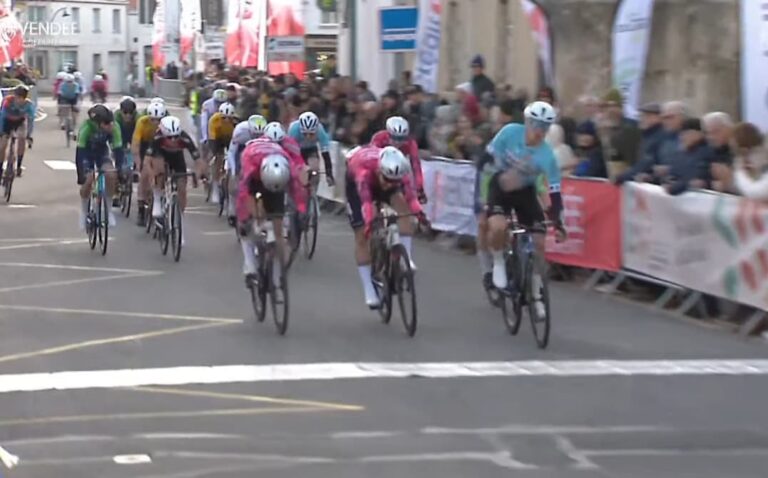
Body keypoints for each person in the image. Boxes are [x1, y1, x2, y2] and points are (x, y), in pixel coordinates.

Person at [480, 101, 565, 317]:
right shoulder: (509, 133)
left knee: (538, 241)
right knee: (498, 227)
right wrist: (483, 195)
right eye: (536, 125)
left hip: (526, 193)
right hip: (500, 186)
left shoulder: (547, 155)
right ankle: (498, 262)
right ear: (527, 122)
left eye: (545, 127)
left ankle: (536, 292)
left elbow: (554, 192)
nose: (540, 131)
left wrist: (558, 220)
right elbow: (485, 158)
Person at [346, 146, 427, 308]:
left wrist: (420, 215)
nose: (390, 184)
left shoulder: (400, 175)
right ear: (379, 171)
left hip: (380, 177)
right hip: (358, 186)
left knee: (403, 208)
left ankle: (406, 259)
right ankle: (369, 289)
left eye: (394, 181)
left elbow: (412, 200)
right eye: (387, 180)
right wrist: (368, 223)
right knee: (362, 234)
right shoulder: (364, 172)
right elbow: (367, 204)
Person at [236, 137, 307, 280]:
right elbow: (243, 195)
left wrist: (302, 211)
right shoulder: (250, 161)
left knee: (278, 230)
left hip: (276, 177)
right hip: (255, 174)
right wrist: (245, 219)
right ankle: (249, 263)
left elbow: (298, 190)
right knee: (249, 220)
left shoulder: (288, 166)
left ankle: (279, 272)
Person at [146, 116, 204, 245]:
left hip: (177, 159)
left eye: (175, 137)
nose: (173, 140)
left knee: (182, 187)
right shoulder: (157, 137)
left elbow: (198, 161)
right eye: (170, 137)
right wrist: (152, 176)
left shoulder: (184, 138)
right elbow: (147, 161)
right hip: (160, 155)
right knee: (159, 169)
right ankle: (157, 198)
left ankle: (179, 220)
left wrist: (197, 175)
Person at [75, 105, 123, 230]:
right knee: (88, 180)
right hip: (87, 154)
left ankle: (108, 211)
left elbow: (118, 150)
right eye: (106, 123)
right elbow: (79, 153)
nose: (110, 125)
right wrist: (81, 175)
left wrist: (120, 169)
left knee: (111, 175)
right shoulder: (86, 128)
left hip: (102, 153)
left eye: (111, 122)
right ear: (97, 123)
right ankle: (84, 212)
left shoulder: (114, 127)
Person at [225, 114, 268, 226]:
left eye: (260, 135)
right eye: (254, 134)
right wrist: (233, 171)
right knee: (235, 180)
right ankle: (232, 209)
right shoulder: (240, 130)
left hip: (258, 152)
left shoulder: (267, 133)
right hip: (241, 150)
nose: (257, 136)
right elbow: (232, 152)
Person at [371, 116, 426, 203]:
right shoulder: (379, 138)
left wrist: (419, 188)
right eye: (394, 137)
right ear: (388, 134)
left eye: (401, 139)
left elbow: (415, 166)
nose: (397, 142)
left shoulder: (411, 143)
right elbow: (372, 161)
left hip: (397, 170)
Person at [132, 101, 167, 226]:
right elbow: (136, 143)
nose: (156, 123)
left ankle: (161, 194)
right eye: (153, 120)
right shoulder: (142, 122)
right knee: (145, 176)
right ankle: (141, 210)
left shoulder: (167, 122)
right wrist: (138, 162)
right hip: (145, 145)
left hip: (162, 144)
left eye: (159, 120)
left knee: (162, 169)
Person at [614, 102, 666, 184]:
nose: (641, 119)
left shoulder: (659, 137)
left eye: (646, 116)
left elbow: (646, 163)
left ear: (658, 118)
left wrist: (623, 176)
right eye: (641, 116)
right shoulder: (647, 136)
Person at [663, 118, 715, 195]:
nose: (682, 138)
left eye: (686, 133)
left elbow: (694, 178)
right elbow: (672, 173)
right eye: (681, 134)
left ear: (698, 134)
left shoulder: (706, 152)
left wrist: (675, 187)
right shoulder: (681, 154)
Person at [287, 111, 335, 188]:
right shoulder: (294, 129)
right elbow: (290, 153)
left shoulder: (320, 131)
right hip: (296, 150)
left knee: (315, 168)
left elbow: (326, 155)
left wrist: (329, 174)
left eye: (311, 134)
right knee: (299, 172)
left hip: (311, 149)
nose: (308, 137)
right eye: (305, 134)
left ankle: (313, 191)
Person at [0, 85, 35, 179]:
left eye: (21, 98)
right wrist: (1, 132)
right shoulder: (7, 101)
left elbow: (31, 120)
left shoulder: (29, 105)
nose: (19, 100)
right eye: (17, 97)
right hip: (7, 121)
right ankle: (0, 168)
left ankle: (19, 166)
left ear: (25, 98)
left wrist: (29, 135)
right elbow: (2, 117)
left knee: (22, 139)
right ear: (14, 96)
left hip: (20, 122)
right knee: (3, 144)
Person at [208, 102, 239, 203]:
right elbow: (213, 139)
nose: (226, 120)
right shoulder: (214, 120)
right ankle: (215, 187)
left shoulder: (236, 122)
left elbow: (237, 140)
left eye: (228, 118)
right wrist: (216, 153)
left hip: (231, 138)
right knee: (218, 158)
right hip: (217, 138)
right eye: (223, 118)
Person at [113, 96, 139, 204]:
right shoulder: (116, 117)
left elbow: (139, 133)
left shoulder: (138, 117)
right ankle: (115, 194)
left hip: (133, 135)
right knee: (117, 166)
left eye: (130, 113)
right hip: (119, 136)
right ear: (120, 111)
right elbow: (114, 134)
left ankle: (133, 172)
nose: (128, 115)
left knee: (134, 156)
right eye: (125, 112)